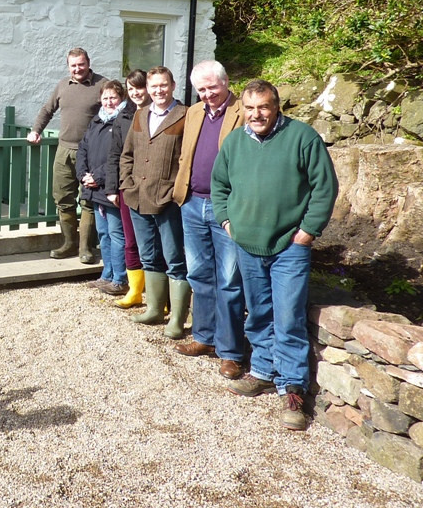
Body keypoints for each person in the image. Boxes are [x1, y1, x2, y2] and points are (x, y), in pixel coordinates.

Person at [212, 79, 338, 431]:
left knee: (288, 318)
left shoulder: (302, 137)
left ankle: (293, 388)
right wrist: (226, 221)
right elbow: (219, 185)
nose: (256, 114)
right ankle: (263, 371)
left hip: (289, 247)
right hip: (247, 244)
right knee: (260, 314)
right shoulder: (235, 141)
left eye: (263, 107)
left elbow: (324, 187)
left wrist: (307, 232)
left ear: (276, 106)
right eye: (250, 108)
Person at [171, 61, 246, 379]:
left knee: (228, 281)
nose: (207, 94)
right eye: (201, 89)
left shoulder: (243, 112)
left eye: (212, 87)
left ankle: (230, 351)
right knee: (199, 275)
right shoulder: (194, 112)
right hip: (192, 204)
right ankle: (203, 337)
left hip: (225, 208)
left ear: (226, 82)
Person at [119, 66, 189, 338]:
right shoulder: (140, 114)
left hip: (167, 200)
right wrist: (127, 185)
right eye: (154, 86)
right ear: (147, 89)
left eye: (163, 85)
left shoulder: (185, 116)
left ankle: (177, 321)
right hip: (137, 197)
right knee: (149, 257)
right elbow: (127, 154)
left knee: (174, 259)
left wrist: (175, 190)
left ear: (172, 85)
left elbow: (187, 159)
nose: (158, 91)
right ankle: (154, 309)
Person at [26, 48, 106, 262]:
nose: (77, 68)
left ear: (88, 62)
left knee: (88, 200)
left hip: (91, 153)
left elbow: (115, 113)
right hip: (64, 150)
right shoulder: (63, 85)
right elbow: (47, 110)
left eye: (81, 64)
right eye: (73, 65)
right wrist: (36, 130)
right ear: (68, 66)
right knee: (62, 197)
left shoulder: (102, 85)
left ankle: (86, 248)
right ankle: (69, 243)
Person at [76, 79, 129, 295]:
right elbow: (83, 148)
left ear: (121, 98)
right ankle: (106, 274)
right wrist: (83, 174)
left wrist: (97, 176)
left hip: (110, 186)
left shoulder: (124, 121)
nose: (109, 102)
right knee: (103, 233)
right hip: (94, 186)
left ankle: (120, 278)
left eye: (113, 98)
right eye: (105, 97)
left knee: (117, 234)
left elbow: (118, 156)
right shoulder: (96, 120)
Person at [106, 70, 150, 308]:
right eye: (131, 89)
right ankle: (134, 291)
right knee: (130, 240)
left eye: (139, 88)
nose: (135, 93)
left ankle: (157, 295)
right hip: (127, 187)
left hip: (153, 188)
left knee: (154, 243)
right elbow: (114, 155)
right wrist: (112, 188)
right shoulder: (123, 117)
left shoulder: (161, 114)